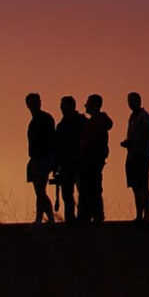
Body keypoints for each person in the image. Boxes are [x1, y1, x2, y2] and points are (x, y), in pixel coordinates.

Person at [78, 93, 113, 223]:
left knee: (91, 189)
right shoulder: (94, 121)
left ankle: (93, 216)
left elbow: (94, 143)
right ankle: (91, 215)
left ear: (94, 105)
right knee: (91, 188)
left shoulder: (97, 122)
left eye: (88, 103)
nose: (85, 105)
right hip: (91, 160)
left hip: (92, 161)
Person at [121, 91, 149, 224]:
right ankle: (139, 215)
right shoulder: (132, 117)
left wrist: (136, 145)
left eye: (132, 101)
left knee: (143, 186)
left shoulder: (145, 117)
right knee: (135, 187)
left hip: (141, 156)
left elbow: (146, 136)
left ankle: (146, 216)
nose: (130, 104)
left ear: (139, 101)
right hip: (131, 156)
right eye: (129, 101)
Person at [25, 92, 58, 225]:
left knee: (40, 190)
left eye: (37, 101)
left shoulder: (45, 118)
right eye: (32, 102)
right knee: (40, 191)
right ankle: (50, 219)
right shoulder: (33, 121)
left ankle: (40, 219)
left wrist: (53, 161)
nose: (35, 104)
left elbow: (52, 140)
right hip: (35, 158)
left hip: (44, 157)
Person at [54, 95, 87, 224]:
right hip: (65, 164)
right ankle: (70, 219)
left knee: (82, 192)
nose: (61, 107)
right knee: (67, 194)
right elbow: (57, 146)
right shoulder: (61, 126)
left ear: (71, 106)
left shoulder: (82, 122)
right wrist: (55, 165)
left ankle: (82, 218)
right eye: (61, 105)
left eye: (63, 104)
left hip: (80, 162)